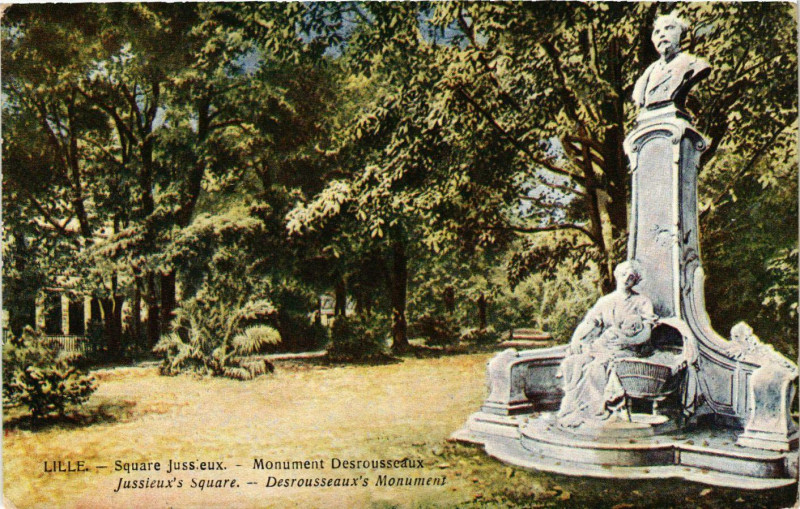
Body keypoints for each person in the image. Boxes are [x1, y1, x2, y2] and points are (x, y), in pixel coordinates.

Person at [556, 260, 658, 427]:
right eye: (624, 274)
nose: (626, 279)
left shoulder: (642, 302)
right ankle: (574, 410)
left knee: (595, 368)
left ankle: (594, 412)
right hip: (604, 347)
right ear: (617, 275)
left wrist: (626, 340)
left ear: (636, 281)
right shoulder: (606, 301)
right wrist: (576, 338)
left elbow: (646, 334)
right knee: (574, 363)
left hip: (629, 349)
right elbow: (590, 323)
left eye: (631, 277)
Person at [632, 14, 711, 111]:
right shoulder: (646, 76)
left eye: (669, 28)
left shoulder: (694, 64)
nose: (662, 34)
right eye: (657, 32)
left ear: (681, 33)